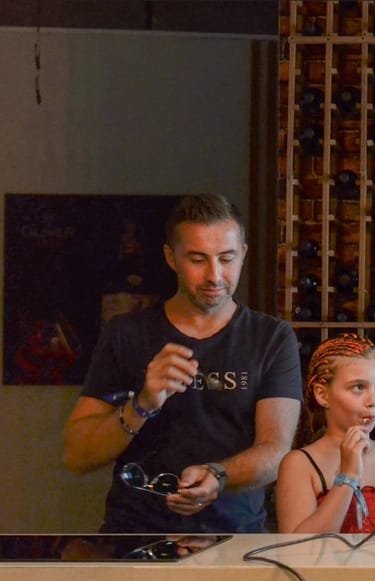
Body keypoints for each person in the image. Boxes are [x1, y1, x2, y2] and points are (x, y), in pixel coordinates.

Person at [63, 194, 303, 533]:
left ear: (243, 255)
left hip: (235, 538)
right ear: (170, 257)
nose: (215, 275)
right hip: (135, 536)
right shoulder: (126, 334)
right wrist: (142, 404)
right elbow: (77, 455)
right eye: (197, 259)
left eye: (226, 258)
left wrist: (219, 475)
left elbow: (276, 451)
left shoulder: (270, 337)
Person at [276, 333, 375, 534]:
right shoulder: (299, 464)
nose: (373, 400)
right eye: (358, 387)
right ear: (322, 394)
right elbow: (300, 547)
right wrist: (347, 477)